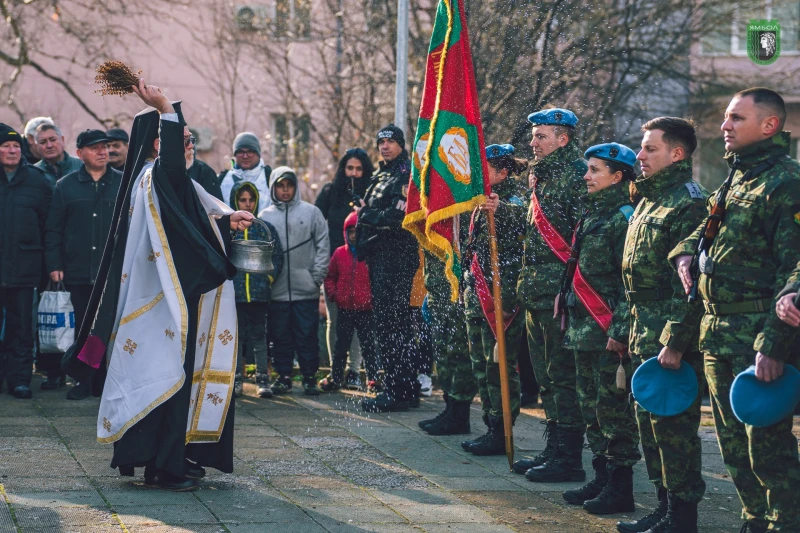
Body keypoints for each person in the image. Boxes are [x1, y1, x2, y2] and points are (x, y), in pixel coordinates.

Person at [64, 80, 255, 491]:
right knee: (167, 379)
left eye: (189, 140)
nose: (188, 146)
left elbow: (191, 205)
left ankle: (177, 456)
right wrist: (165, 107)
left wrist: (225, 218)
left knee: (177, 379)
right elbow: (176, 184)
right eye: (180, 139)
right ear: (157, 145)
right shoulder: (155, 176)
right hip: (160, 305)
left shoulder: (168, 179)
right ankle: (162, 469)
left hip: (173, 302)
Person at [671, 88, 800, 533]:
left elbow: (794, 272)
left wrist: (774, 346)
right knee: (732, 446)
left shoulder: (786, 182)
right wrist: (686, 253)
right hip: (717, 334)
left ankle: (784, 524)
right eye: (726, 118)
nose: (724, 126)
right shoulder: (737, 178)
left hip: (756, 337)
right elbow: (706, 229)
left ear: (769, 125)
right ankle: (753, 520)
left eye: (736, 118)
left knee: (768, 446)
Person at [616, 117, 709, 533]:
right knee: (649, 426)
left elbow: (689, 287)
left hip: (670, 337)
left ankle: (682, 516)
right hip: (642, 330)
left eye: (650, 148)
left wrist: (673, 342)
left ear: (677, 153)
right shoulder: (649, 200)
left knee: (674, 431)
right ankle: (663, 506)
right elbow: (632, 277)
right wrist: (623, 329)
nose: (640, 156)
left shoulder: (689, 203)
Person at [552, 143, 640, 514]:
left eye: (595, 170)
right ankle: (602, 477)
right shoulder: (594, 214)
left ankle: (620, 487)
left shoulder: (624, 217)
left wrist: (619, 330)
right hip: (584, 331)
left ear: (617, 177)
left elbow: (630, 282)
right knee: (592, 408)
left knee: (614, 411)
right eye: (587, 169)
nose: (586, 176)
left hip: (607, 332)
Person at [513, 108, 587, 480]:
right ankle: (553, 449)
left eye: (541, 136)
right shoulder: (542, 177)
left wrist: (569, 290)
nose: (533, 143)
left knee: (563, 376)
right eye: (534, 136)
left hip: (560, 294)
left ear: (563, 138)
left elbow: (580, 240)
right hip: (536, 293)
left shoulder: (577, 176)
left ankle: (570, 458)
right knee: (545, 377)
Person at [43, 129, 122, 399]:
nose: (103, 152)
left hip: (112, 271)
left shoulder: (123, 183)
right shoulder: (65, 186)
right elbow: (54, 230)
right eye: (95, 148)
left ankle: (104, 381)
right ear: (80, 154)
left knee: (109, 328)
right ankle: (83, 380)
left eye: (106, 147)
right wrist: (54, 264)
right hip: (77, 268)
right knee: (82, 328)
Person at [459, 144, 527, 454]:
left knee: (498, 365)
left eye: (484, 168)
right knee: (480, 365)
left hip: (500, 299)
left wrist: (500, 212)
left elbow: (521, 230)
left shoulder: (513, 202)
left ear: (502, 172)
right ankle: (490, 426)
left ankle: (503, 431)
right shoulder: (482, 202)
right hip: (478, 295)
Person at [357, 124, 420, 412]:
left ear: (401, 144)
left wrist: (366, 215)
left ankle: (400, 390)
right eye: (381, 141)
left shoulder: (405, 172)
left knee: (395, 325)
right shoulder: (380, 174)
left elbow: (400, 216)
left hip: (398, 256)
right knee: (388, 325)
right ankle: (401, 387)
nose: (385, 147)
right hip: (379, 255)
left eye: (391, 142)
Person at [259, 167, 329, 396]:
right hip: (277, 290)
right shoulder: (264, 217)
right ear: (273, 187)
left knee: (307, 335)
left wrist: (315, 277)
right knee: (280, 336)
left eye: (289, 185)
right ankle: (283, 376)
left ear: (296, 186)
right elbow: (259, 253)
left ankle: (309, 377)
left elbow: (322, 245)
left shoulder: (311, 213)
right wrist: (266, 281)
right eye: (280, 185)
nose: (285, 190)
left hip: (305, 289)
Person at [0, 124, 52, 399]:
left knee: (22, 328)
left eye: (16, 147)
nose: (12, 151)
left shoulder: (38, 180)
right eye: (6, 146)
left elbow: (49, 225)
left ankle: (20, 380)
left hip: (25, 267)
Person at [316, 148, 374, 389]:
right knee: (335, 321)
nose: (354, 173)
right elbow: (317, 223)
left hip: (362, 266)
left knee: (359, 324)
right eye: (350, 168)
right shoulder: (331, 192)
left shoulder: (371, 193)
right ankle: (335, 370)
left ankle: (354, 371)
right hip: (335, 264)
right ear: (343, 169)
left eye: (359, 169)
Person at [230, 182, 282, 398]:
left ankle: (263, 378)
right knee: (237, 337)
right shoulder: (231, 230)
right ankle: (236, 379)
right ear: (236, 201)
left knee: (260, 336)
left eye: (251, 200)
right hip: (236, 293)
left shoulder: (263, 228)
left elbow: (277, 256)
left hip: (259, 294)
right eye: (243, 200)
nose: (248, 204)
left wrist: (268, 278)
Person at [418, 248, 476, 434]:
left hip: (453, 291)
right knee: (443, 353)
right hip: (439, 292)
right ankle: (450, 408)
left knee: (456, 352)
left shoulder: (457, 219)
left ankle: (459, 414)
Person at [319, 212, 378, 391]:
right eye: (350, 232)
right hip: (345, 307)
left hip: (365, 308)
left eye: (356, 232)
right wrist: (334, 294)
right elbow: (330, 276)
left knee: (368, 346)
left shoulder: (369, 254)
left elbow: (376, 278)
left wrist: (372, 297)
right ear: (345, 233)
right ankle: (337, 377)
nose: (353, 236)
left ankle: (372, 379)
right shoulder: (339, 253)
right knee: (341, 346)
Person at [219, 132, 272, 213]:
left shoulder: (270, 177)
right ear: (234, 155)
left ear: (258, 154)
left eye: (250, 152)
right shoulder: (221, 180)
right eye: (240, 152)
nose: (245, 156)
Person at [186, 134, 223, 200]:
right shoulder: (164, 170)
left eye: (191, 141)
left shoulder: (204, 171)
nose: (190, 145)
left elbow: (215, 204)